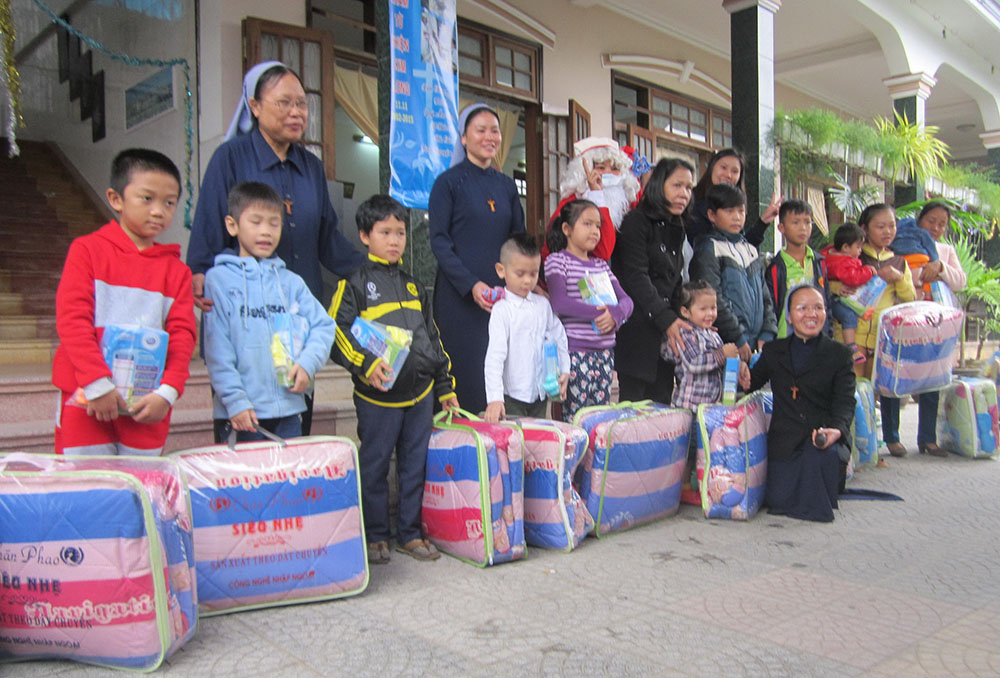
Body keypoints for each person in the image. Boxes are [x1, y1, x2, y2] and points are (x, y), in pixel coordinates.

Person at [188, 61, 363, 438]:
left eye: (302, 104)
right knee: (247, 433)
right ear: (254, 106)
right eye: (284, 103)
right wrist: (200, 271)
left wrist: (370, 271)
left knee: (294, 420)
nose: (297, 112)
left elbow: (328, 237)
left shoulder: (311, 167)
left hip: (298, 310)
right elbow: (209, 221)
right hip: (246, 314)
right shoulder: (231, 157)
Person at [328, 195, 459, 564]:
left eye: (400, 232)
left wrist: (445, 387)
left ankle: (410, 534)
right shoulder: (353, 284)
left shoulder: (415, 286)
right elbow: (336, 331)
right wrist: (365, 365)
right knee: (374, 465)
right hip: (378, 397)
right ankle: (375, 536)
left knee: (414, 464)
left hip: (421, 396)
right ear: (365, 236)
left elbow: (432, 339)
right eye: (385, 232)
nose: (395, 240)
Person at [53, 148, 196, 455]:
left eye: (169, 202)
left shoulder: (177, 272)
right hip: (86, 399)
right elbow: (72, 321)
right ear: (116, 198)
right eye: (147, 198)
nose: (159, 210)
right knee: (88, 488)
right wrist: (97, 383)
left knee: (141, 490)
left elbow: (183, 337)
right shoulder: (87, 251)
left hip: (148, 404)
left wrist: (168, 393)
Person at [203, 182, 336, 442]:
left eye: (274, 224)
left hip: (289, 411)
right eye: (256, 222)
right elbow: (217, 350)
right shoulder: (218, 281)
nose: (266, 232)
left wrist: (308, 364)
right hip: (242, 413)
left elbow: (324, 325)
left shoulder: (291, 283)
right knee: (245, 482)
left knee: (289, 481)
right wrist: (235, 401)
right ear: (233, 225)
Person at [429, 102, 525, 413]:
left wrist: (522, 282)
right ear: (464, 139)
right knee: (463, 373)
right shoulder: (448, 183)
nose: (489, 136)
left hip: (500, 297)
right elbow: (439, 242)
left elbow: (517, 240)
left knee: (496, 374)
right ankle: (458, 452)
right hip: (460, 298)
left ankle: (495, 452)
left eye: (494, 130)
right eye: (480, 130)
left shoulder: (507, 185)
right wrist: (471, 285)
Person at [740, 285, 855, 523]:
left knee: (816, 478)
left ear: (825, 313)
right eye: (802, 308)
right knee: (778, 499)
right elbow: (751, 383)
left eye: (818, 308)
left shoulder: (839, 354)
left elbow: (845, 402)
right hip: (785, 440)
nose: (811, 314)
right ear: (790, 317)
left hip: (822, 437)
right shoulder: (774, 351)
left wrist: (836, 430)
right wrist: (742, 378)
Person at [610, 157, 695, 403]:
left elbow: (676, 279)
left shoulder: (677, 225)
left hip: (665, 333)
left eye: (689, 188)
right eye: (677, 185)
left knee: (661, 414)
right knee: (633, 417)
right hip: (638, 329)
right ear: (659, 185)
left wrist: (687, 316)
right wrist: (666, 318)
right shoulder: (636, 221)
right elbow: (635, 277)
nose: (684, 193)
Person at [544, 199, 633, 422]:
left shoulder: (601, 265)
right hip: (574, 354)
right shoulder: (557, 261)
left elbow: (627, 301)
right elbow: (560, 303)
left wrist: (616, 315)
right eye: (587, 224)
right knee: (574, 420)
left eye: (598, 226)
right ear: (567, 229)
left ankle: (594, 458)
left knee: (598, 419)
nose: (595, 231)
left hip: (604, 355)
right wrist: (601, 312)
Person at [902, 201, 967, 457]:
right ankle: (892, 438)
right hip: (907, 322)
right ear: (920, 220)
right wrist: (921, 274)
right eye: (931, 221)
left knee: (932, 381)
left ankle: (928, 439)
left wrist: (940, 267)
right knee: (899, 374)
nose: (936, 228)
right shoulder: (903, 241)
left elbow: (960, 281)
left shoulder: (945, 250)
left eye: (942, 224)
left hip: (936, 325)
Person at [853, 203, 917, 459]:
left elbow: (910, 296)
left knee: (888, 389)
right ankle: (860, 444)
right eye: (880, 226)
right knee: (856, 390)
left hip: (885, 337)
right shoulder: (855, 257)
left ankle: (892, 438)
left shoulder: (899, 261)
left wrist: (898, 278)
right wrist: (876, 275)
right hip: (854, 334)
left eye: (891, 225)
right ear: (865, 229)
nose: (887, 231)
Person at [484, 234, 570, 422]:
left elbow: (559, 336)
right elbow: (495, 357)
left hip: (540, 393)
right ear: (501, 270)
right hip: (512, 397)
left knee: (538, 440)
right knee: (515, 446)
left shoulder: (543, 305)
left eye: (533, 274)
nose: (527, 281)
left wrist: (565, 369)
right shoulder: (502, 310)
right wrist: (495, 398)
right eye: (520, 273)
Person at [689, 183, 777, 363]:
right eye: (729, 211)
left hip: (756, 346)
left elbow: (766, 297)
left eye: (741, 211)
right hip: (725, 344)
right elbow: (713, 299)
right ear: (712, 215)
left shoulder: (751, 250)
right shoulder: (709, 248)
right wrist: (737, 337)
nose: (737, 217)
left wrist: (768, 332)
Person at [544, 137, 642, 260]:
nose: (608, 173)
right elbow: (602, 252)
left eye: (615, 169)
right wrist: (597, 194)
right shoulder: (572, 204)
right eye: (600, 168)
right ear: (584, 170)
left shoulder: (626, 207)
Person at [661, 280, 738, 411]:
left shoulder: (712, 334)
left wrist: (735, 361)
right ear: (685, 312)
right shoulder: (685, 333)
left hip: (710, 407)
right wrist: (722, 354)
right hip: (690, 407)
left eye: (713, 308)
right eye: (703, 309)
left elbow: (719, 364)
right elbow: (694, 362)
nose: (710, 313)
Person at [687, 148, 782, 248]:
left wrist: (763, 222)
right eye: (723, 167)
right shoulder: (690, 199)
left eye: (734, 171)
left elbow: (743, 248)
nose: (728, 175)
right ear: (712, 167)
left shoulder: (736, 206)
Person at [766, 199, 831, 339]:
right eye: (795, 222)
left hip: (816, 338)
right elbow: (769, 307)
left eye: (807, 222)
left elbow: (827, 302)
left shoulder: (818, 263)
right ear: (781, 228)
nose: (803, 228)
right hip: (785, 338)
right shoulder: (775, 268)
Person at [821, 222, 877, 363]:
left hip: (832, 297)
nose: (860, 251)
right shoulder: (843, 262)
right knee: (849, 315)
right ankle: (852, 346)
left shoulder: (830, 254)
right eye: (858, 247)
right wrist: (868, 271)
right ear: (846, 247)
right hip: (834, 299)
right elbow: (853, 278)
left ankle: (868, 343)